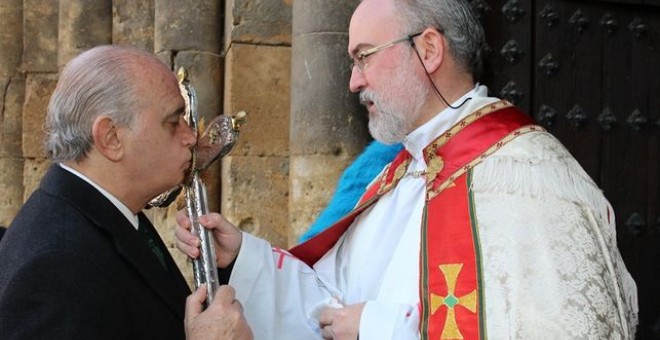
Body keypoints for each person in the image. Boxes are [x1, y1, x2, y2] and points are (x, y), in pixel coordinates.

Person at [175, 0, 638, 338]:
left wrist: (377, 329)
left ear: (429, 49)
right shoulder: (401, 174)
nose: (354, 80)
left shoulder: (528, 178)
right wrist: (243, 258)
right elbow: (329, 304)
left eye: (364, 56)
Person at [0, 45, 251, 340]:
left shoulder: (105, 212)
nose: (190, 136)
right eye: (173, 122)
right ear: (111, 137)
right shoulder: (59, 263)